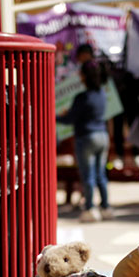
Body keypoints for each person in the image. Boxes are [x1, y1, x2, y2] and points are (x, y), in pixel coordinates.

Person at [58, 61, 110, 222]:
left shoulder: (82, 97)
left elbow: (70, 118)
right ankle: (105, 207)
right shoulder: (102, 94)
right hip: (102, 136)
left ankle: (89, 208)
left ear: (84, 76)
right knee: (100, 174)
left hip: (86, 137)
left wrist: (55, 116)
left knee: (88, 175)